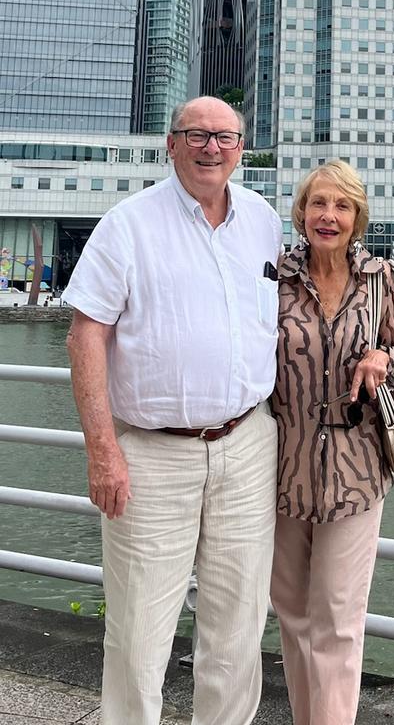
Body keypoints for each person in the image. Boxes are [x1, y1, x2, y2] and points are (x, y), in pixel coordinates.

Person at [63, 96, 283, 725]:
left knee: (238, 627)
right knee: (138, 631)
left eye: (226, 137)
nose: (212, 147)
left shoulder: (264, 221)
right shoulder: (129, 224)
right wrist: (103, 450)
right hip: (152, 454)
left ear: (242, 147)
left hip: (247, 442)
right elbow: (86, 335)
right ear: (171, 143)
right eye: (197, 135)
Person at [270, 160, 394, 725]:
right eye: (317, 204)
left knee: (337, 616)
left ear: (357, 218)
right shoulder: (276, 278)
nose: (327, 216)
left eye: (341, 206)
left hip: (357, 471)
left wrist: (386, 357)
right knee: (291, 612)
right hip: (282, 469)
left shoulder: (380, 278)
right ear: (301, 212)